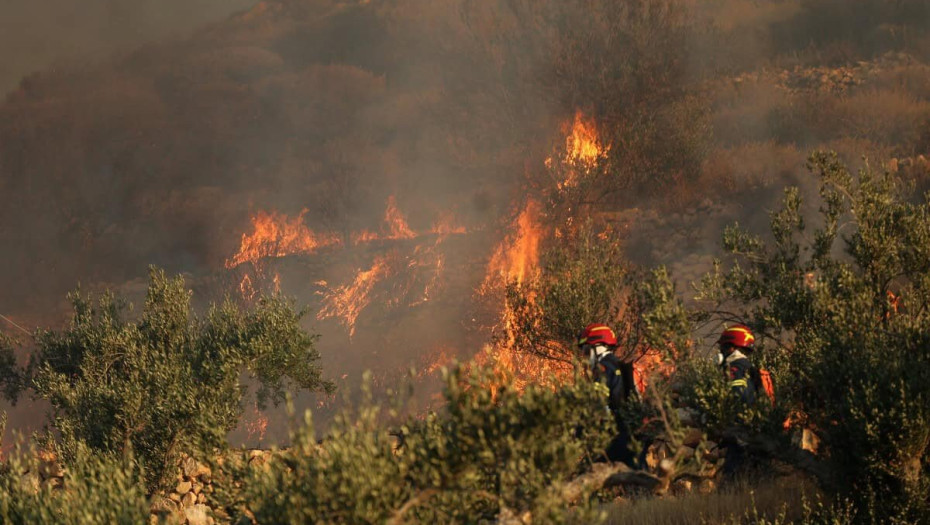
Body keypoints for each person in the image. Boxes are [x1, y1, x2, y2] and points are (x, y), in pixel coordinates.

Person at [577, 323, 636, 465]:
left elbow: (597, 404)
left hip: (615, 434)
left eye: (586, 351)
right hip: (629, 432)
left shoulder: (604, 368)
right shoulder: (617, 364)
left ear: (597, 348)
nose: (584, 357)